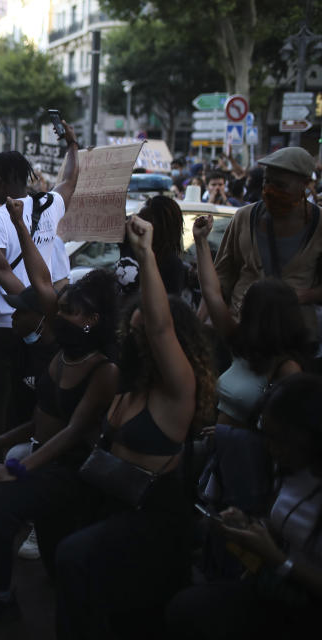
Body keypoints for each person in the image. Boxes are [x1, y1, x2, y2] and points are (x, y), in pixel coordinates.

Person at [54, 215, 216, 638]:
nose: (138, 339)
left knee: (77, 561)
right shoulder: (129, 383)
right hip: (109, 507)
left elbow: (161, 327)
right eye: (133, 331)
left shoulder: (178, 391)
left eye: (147, 336)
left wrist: (145, 255)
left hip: (152, 520)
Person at [0, 267, 119, 629]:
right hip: (45, 461)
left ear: (92, 320)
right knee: (57, 567)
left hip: (73, 470)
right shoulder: (62, 357)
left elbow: (74, 432)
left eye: (68, 312)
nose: (58, 317)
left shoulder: (104, 370)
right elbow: (41, 421)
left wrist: (18, 470)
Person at [165, 373, 322, 638]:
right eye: (267, 436)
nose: (271, 449)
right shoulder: (290, 468)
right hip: (278, 587)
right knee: (186, 607)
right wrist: (249, 526)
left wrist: (277, 559)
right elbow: (284, 524)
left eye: (281, 440)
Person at [0, 120, 79, 440]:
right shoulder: (50, 205)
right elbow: (69, 180)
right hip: (39, 328)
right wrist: (72, 146)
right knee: (29, 407)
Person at [194, 213, 309, 514]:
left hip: (246, 477)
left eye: (247, 303)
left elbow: (283, 440)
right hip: (219, 463)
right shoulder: (242, 345)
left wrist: (229, 436)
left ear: (263, 316)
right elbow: (212, 293)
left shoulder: (287, 370)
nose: (239, 305)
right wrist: (201, 241)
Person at [214, 147, 322, 342]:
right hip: (242, 333)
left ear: (305, 184)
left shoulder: (319, 224)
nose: (270, 190)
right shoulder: (243, 217)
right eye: (267, 181)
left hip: (294, 337)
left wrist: (303, 296)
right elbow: (221, 278)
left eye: (280, 185)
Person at [114, 196, 188, 301]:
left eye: (142, 219)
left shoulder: (172, 264)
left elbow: (166, 309)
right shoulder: (131, 241)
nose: (135, 220)